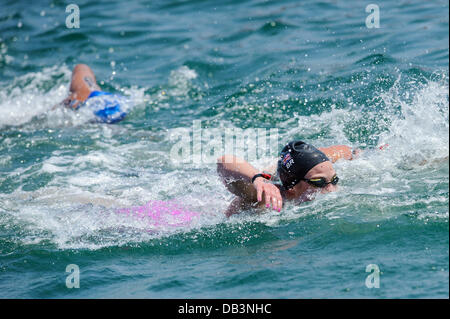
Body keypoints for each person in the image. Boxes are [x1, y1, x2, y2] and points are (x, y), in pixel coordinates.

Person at [217, 140, 358, 217]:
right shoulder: (266, 197)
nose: (331, 190)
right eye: (319, 183)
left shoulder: (319, 168)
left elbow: (344, 151)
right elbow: (224, 161)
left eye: (334, 180)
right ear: (292, 187)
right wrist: (258, 179)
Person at [57, 64, 129, 123]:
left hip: (99, 108)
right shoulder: (85, 90)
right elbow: (81, 67)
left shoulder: (79, 96)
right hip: (119, 105)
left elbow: (80, 67)